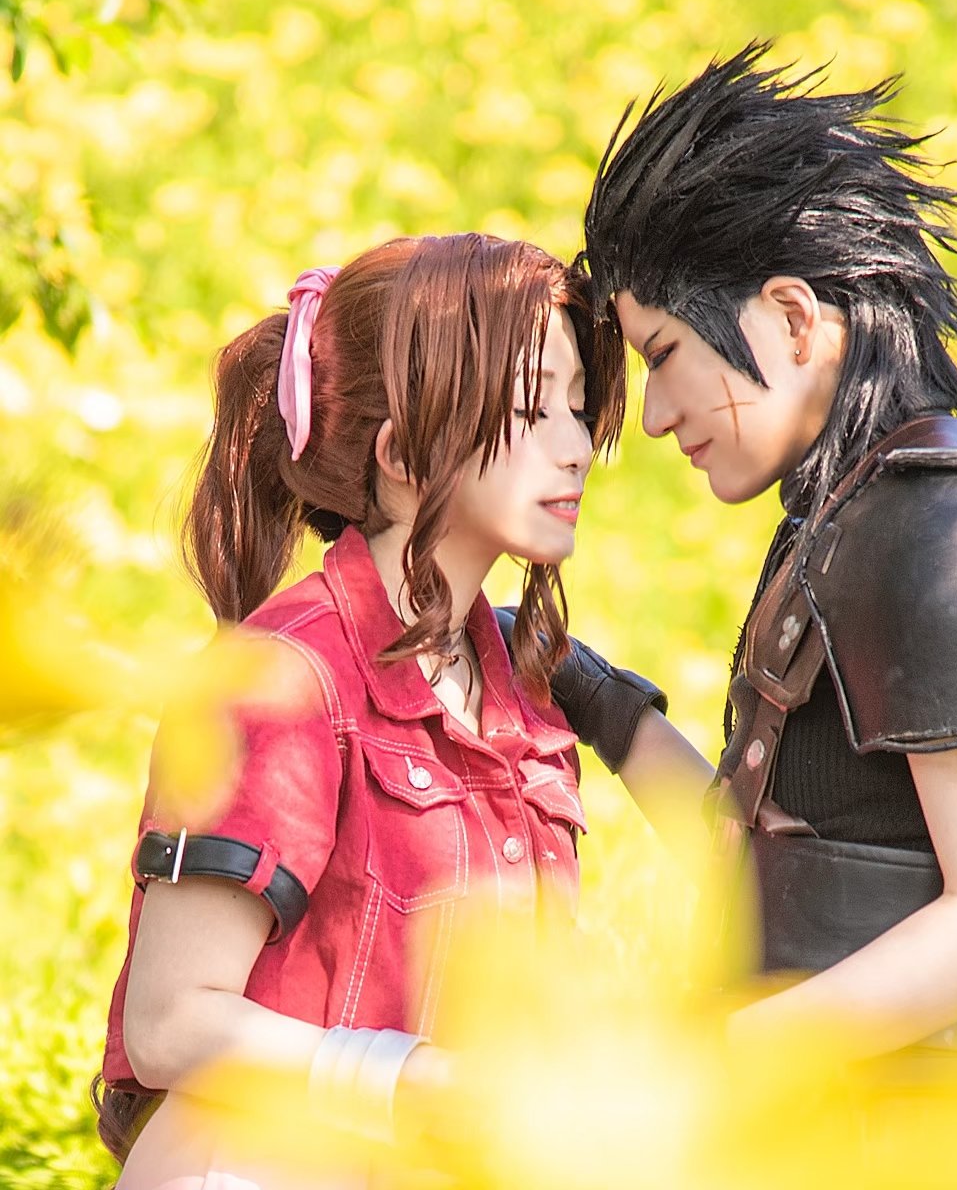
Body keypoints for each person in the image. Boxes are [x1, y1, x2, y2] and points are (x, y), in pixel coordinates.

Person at [567, 43, 957, 1063]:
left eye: (665, 356)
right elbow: (762, 873)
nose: (656, 415)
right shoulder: (847, 515)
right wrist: (589, 692)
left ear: (793, 318)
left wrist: (718, 1074)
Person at [93, 232, 651, 1185]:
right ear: (401, 455)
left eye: (577, 406)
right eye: (531, 408)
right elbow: (169, 1022)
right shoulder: (282, 677)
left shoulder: (517, 691)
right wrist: (418, 1082)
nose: (575, 446)